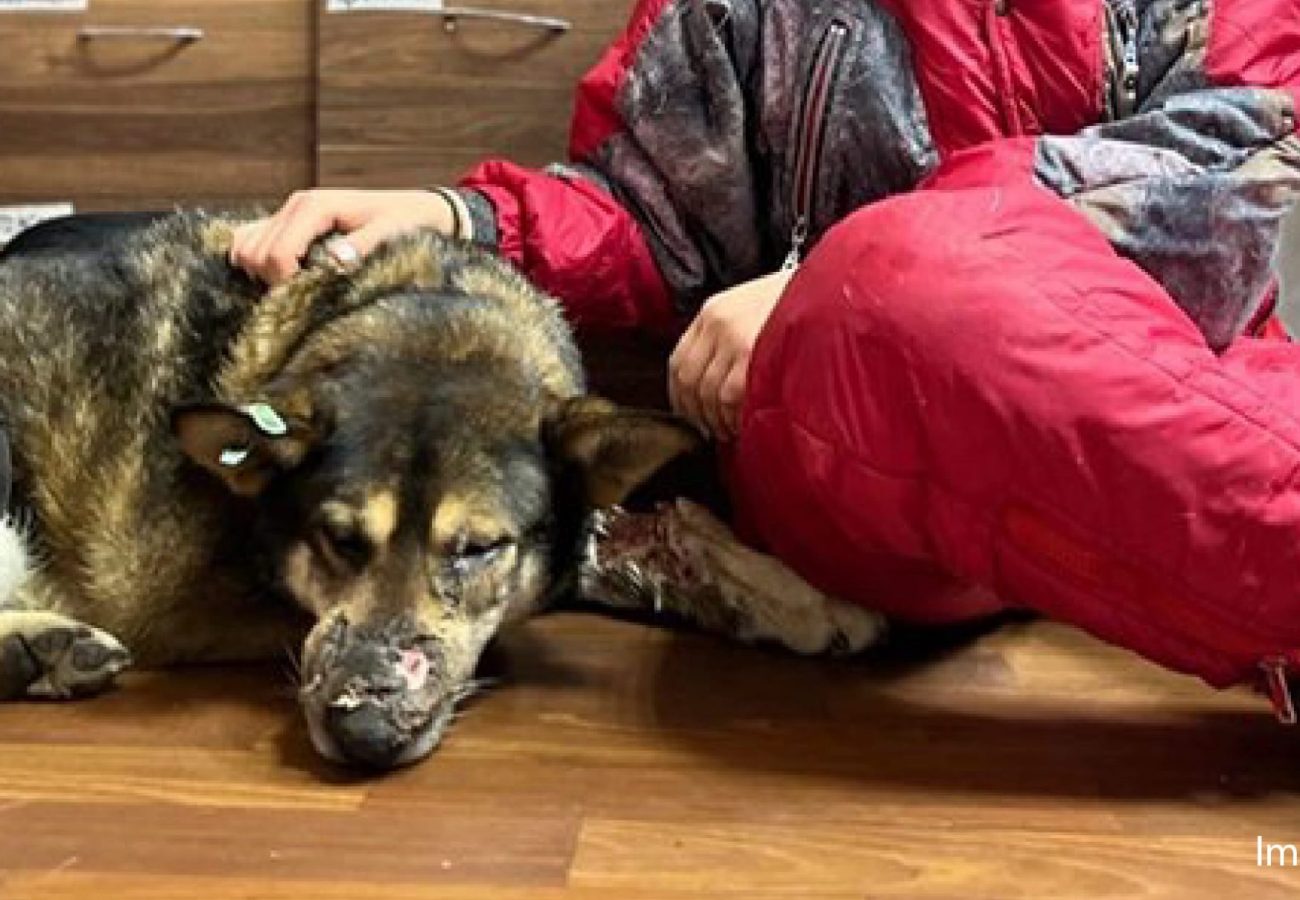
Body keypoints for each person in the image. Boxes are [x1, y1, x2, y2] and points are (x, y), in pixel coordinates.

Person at [232, 0, 1300, 714]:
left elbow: (1236, 159)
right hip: (848, 449)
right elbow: (651, 211)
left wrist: (847, 260)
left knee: (893, 273)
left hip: (1168, 398)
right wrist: (464, 217)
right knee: (884, 290)